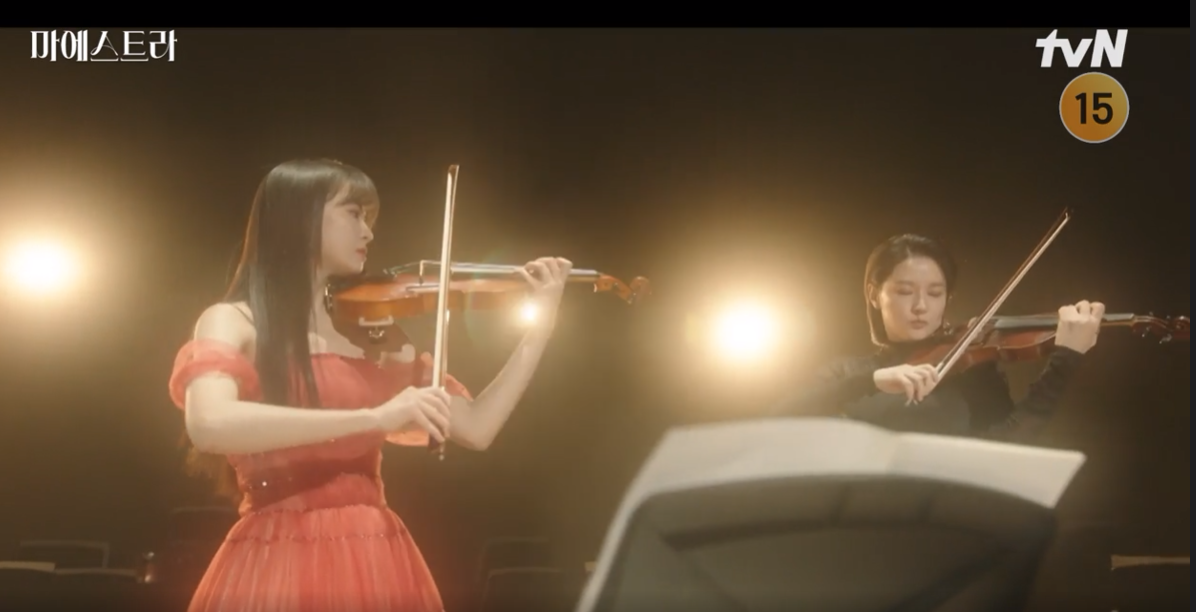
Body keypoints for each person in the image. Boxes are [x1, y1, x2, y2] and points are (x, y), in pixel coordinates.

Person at [167, 158, 571, 611]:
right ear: (302, 217)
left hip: (374, 550)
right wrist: (375, 418)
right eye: (353, 214)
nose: (368, 232)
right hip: (278, 549)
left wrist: (542, 328)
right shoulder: (233, 321)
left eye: (368, 218)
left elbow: (477, 427)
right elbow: (209, 423)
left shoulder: (371, 332)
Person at [771, 233, 1104, 443]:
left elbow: (1011, 445)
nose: (921, 306)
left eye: (935, 293)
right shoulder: (847, 373)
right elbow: (778, 419)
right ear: (874, 295)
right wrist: (874, 380)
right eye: (905, 291)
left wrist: (1065, 360)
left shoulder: (973, 373)